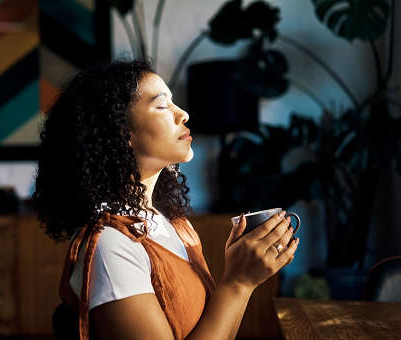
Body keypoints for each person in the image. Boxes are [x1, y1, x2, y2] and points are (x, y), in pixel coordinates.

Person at [32, 60, 299, 340]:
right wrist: (238, 283)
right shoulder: (111, 248)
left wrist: (242, 278)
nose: (183, 114)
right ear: (122, 134)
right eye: (162, 106)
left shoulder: (172, 225)